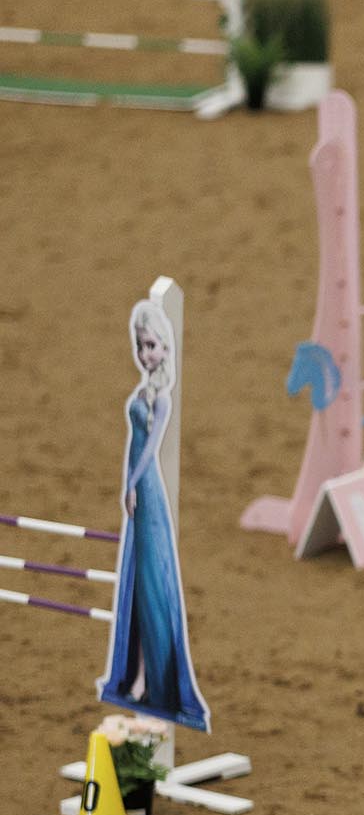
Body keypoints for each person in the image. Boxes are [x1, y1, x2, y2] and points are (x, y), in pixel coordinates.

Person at [98, 299, 210, 733]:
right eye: (141, 345)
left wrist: (130, 484)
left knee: (150, 589)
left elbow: (149, 448)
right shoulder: (146, 391)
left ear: (165, 347)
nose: (146, 354)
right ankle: (140, 676)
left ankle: (153, 680)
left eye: (152, 345)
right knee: (139, 592)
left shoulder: (161, 398)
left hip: (145, 493)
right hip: (136, 492)